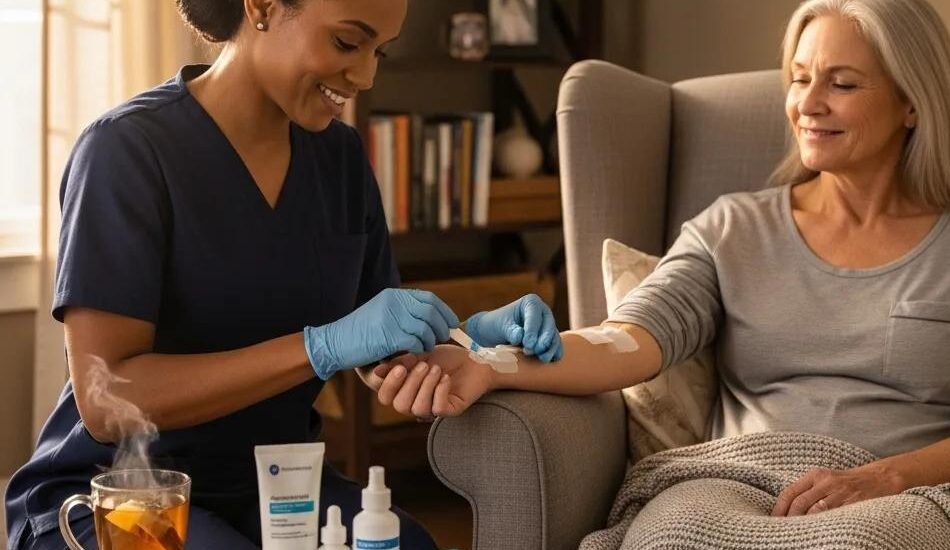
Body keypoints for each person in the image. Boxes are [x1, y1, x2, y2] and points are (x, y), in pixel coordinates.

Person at [372, 0, 950, 531]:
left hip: (898, 498)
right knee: (675, 534)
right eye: (799, 78)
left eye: (843, 83)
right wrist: (489, 367)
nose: (808, 102)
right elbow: (629, 340)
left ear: (912, 102)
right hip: (734, 478)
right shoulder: (732, 227)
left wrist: (884, 478)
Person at [3, 0, 561, 548]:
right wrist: (317, 347)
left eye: (380, 52)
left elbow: (374, 345)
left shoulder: (340, 158)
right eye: (347, 42)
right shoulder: (126, 150)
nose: (365, 75)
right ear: (262, 6)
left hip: (277, 481)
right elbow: (106, 403)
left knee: (407, 544)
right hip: (123, 495)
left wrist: (469, 339)